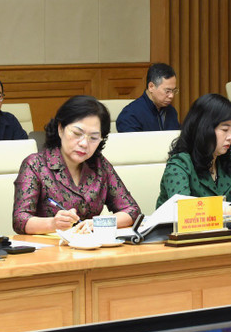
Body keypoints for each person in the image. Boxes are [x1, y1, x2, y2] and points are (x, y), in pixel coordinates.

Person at [12, 95, 140, 234]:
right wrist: (53, 223)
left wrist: (98, 224)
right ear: (60, 129)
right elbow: (20, 220)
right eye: (77, 133)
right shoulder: (35, 165)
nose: (84, 143)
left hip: (91, 247)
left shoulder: (99, 164)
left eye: (93, 138)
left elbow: (132, 210)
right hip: (50, 250)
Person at [116, 63, 180, 132]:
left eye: (174, 91)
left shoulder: (171, 111)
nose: (171, 96)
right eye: (167, 91)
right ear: (151, 87)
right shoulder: (130, 115)